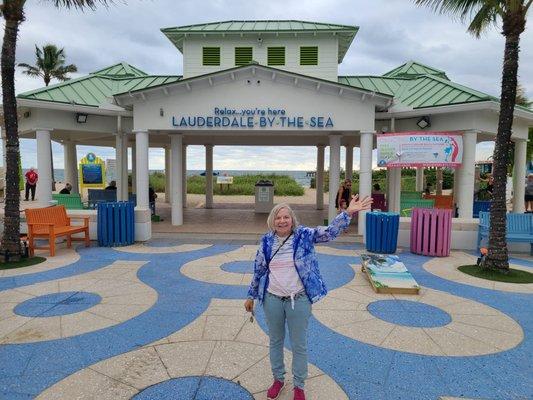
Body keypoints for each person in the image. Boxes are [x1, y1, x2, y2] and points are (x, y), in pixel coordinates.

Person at [244, 195, 373, 400]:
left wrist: (347, 213)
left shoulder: (304, 235)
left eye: (286, 217)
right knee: (276, 341)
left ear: (292, 219)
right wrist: (251, 295)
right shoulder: (267, 241)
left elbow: (329, 233)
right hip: (272, 299)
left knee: (299, 344)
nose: (282, 221)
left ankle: (299, 385)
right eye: (278, 217)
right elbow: (258, 269)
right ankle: (278, 379)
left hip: (300, 299)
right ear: (272, 221)